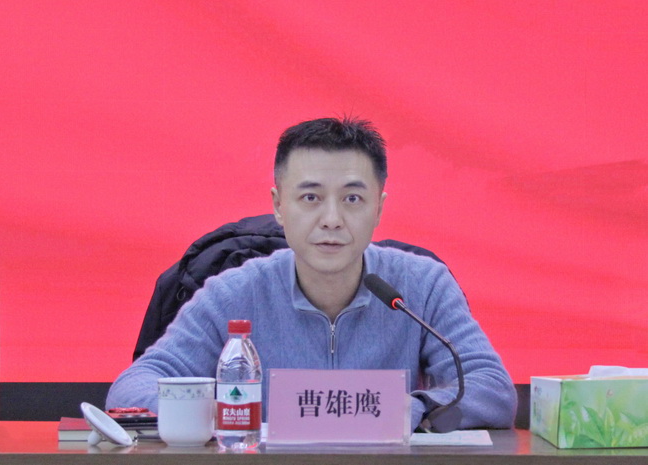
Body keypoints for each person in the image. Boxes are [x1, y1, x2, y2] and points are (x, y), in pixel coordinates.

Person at [106, 117, 517, 431]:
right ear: (279, 206)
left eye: (352, 199)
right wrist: (225, 414)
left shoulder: (422, 286)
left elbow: (492, 389)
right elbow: (132, 388)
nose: (332, 219)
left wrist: (416, 409)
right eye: (310, 197)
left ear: (378, 208)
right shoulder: (233, 292)